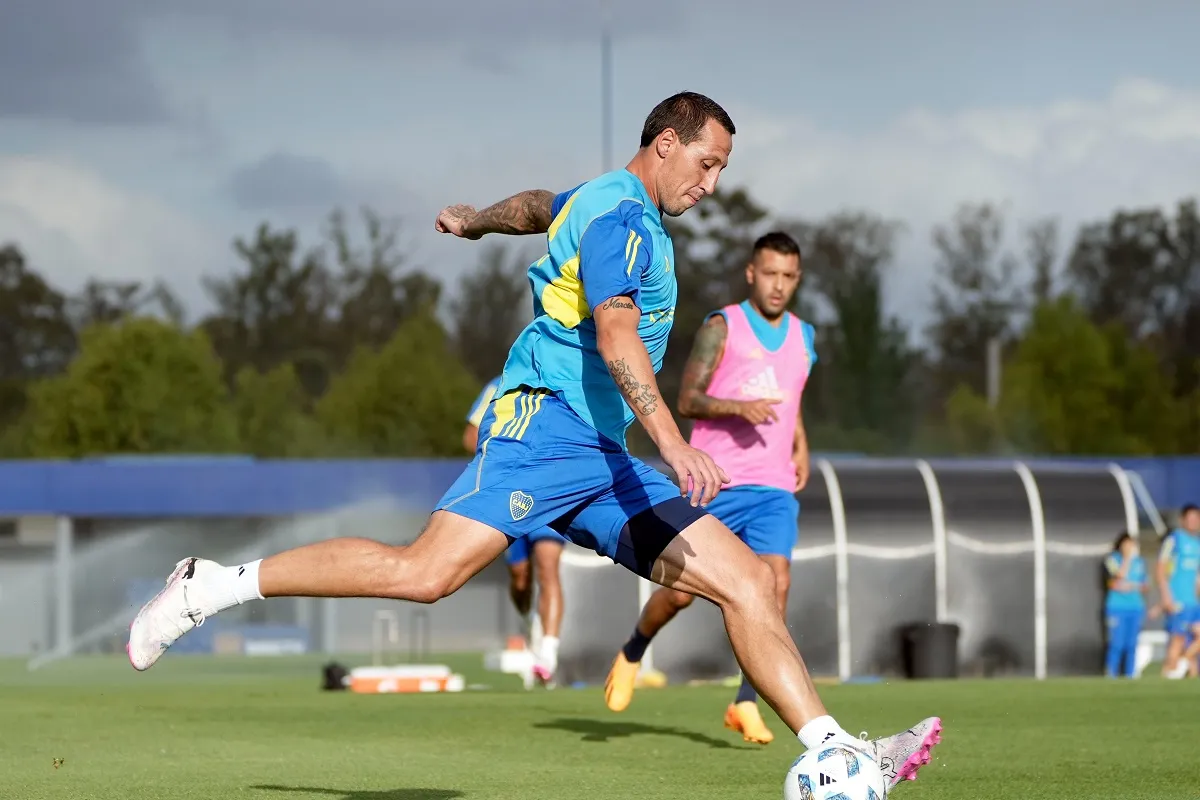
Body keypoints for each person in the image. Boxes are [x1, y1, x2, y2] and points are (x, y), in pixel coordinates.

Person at [127, 91, 940, 790]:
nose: (712, 183)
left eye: (722, 168)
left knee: (747, 584)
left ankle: (835, 752)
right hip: (545, 426)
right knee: (425, 575)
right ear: (666, 142)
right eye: (707, 162)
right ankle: (210, 585)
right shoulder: (624, 218)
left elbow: (536, 207)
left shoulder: (603, 199)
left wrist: (476, 221)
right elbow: (618, 337)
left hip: (600, 455)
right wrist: (673, 441)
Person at [604, 230, 814, 745]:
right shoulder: (723, 326)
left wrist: (801, 443)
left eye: (788, 276)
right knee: (680, 596)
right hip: (714, 482)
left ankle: (745, 702)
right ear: (751, 273)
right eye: (770, 273)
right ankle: (635, 647)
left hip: (772, 486)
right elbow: (689, 398)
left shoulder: (805, 335)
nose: (778, 285)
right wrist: (740, 408)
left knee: (774, 584)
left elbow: (790, 397)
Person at [464, 376, 567, 684]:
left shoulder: (564, 383)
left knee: (549, 568)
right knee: (520, 577)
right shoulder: (499, 385)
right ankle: (529, 624)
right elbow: (470, 436)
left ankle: (547, 656)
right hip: (510, 495)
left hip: (549, 492)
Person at [1158, 504, 1200, 678]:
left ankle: (1178, 666)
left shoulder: (1197, 543)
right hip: (1177, 600)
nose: (1193, 522)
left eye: (1196, 518)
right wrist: (1166, 597)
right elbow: (1160, 568)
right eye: (1189, 518)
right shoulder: (1174, 540)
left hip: (1194, 601)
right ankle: (1168, 673)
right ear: (1182, 520)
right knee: (1178, 640)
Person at [1103, 532, 1153, 678]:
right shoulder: (1113, 560)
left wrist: (1132, 586)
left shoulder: (1140, 562)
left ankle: (1130, 675)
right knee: (1116, 644)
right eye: (1127, 544)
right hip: (1117, 608)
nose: (1130, 547)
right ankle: (1111, 674)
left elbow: (1145, 585)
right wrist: (1126, 559)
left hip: (1136, 607)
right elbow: (1116, 578)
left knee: (1132, 645)